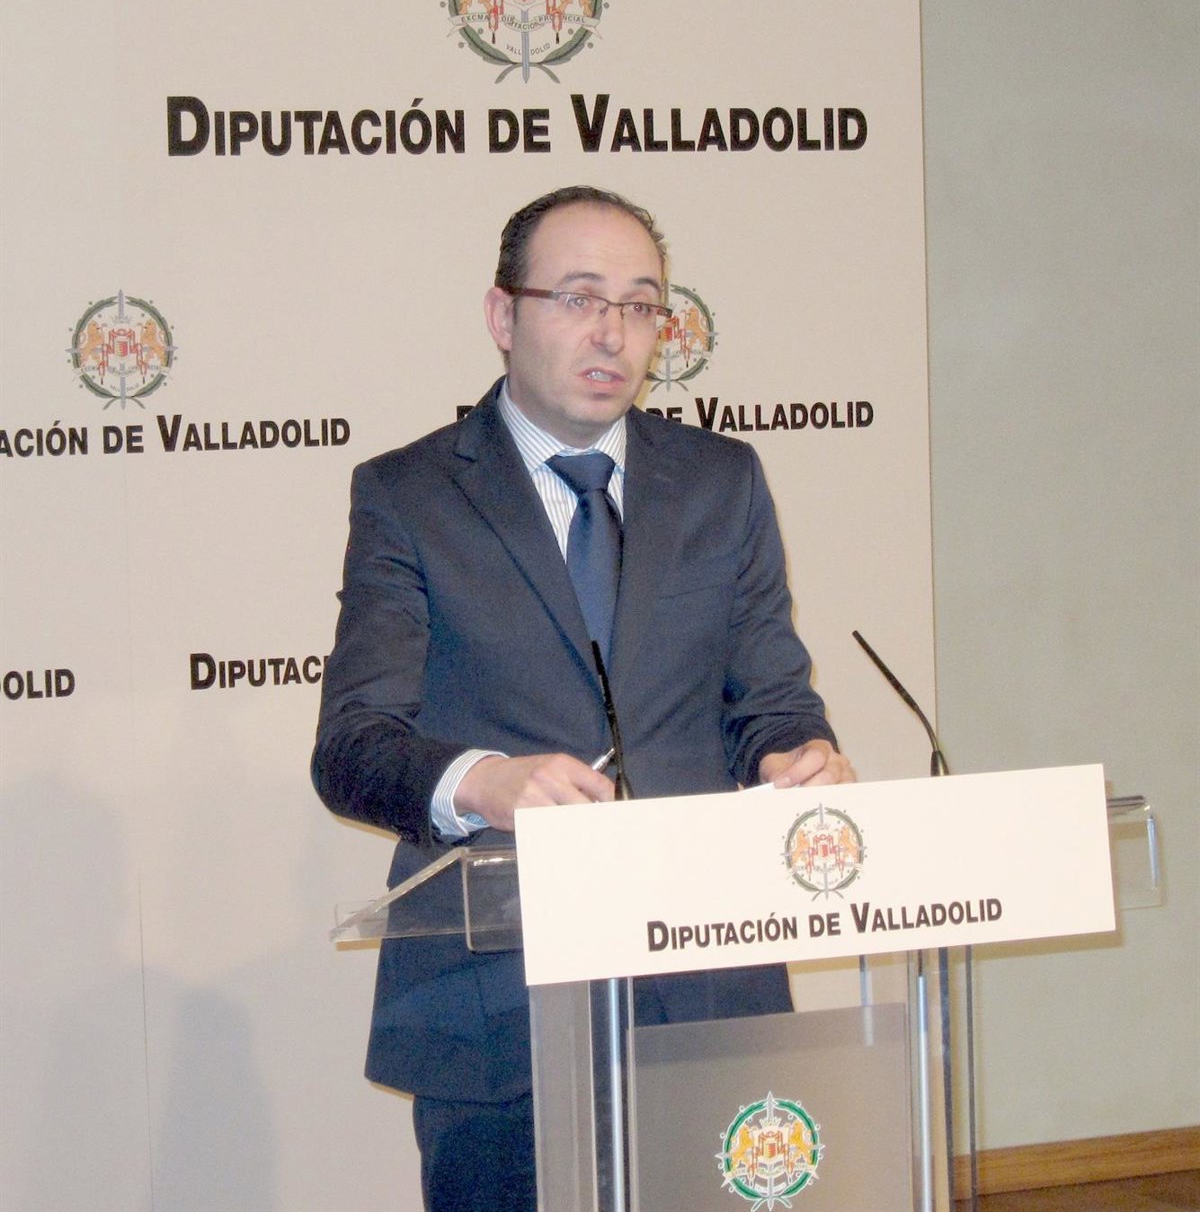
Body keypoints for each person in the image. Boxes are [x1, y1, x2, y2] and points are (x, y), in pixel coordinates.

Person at [312, 186, 855, 1212]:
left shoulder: (721, 481)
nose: (613, 332)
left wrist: (796, 754)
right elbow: (351, 744)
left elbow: (769, 698)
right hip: (501, 1005)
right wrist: (484, 783)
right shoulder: (408, 495)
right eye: (577, 298)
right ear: (502, 314)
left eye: (641, 305)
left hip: (707, 986)